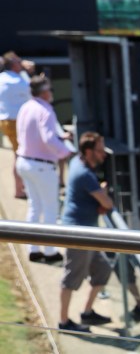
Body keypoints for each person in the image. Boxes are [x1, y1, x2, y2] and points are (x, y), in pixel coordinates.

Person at [59, 132, 140, 333]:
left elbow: (96, 200)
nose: (104, 155)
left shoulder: (77, 163)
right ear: (88, 151)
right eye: (100, 150)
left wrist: (98, 195)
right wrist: (103, 193)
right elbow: (107, 203)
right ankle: (64, 323)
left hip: (88, 233)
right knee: (71, 279)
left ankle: (87, 313)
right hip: (78, 235)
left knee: (103, 270)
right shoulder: (85, 174)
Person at [16, 75, 75, 262]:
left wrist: (60, 139)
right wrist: (65, 151)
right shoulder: (46, 110)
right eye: (50, 89)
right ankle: (50, 252)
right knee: (50, 209)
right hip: (41, 165)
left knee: (35, 206)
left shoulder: (26, 107)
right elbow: (48, 138)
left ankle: (33, 249)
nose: (51, 93)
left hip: (25, 161)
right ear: (44, 92)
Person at [0, 51, 34, 198]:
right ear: (14, 65)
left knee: (19, 155)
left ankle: (21, 187)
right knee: (20, 156)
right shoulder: (19, 82)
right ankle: (19, 190)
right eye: (19, 62)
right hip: (15, 122)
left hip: (5, 121)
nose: (22, 64)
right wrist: (28, 72)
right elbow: (35, 93)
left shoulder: (2, 78)